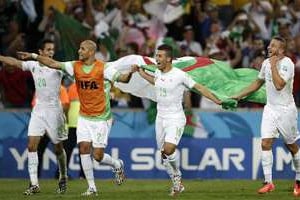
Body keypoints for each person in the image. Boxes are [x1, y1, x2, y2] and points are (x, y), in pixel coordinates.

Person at [18, 40, 134, 196]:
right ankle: (92, 188)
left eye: (83, 49)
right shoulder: (74, 66)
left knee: (97, 156)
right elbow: (52, 63)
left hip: (101, 117)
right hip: (84, 116)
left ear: (91, 52)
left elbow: (124, 79)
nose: (79, 51)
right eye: (79, 48)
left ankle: (117, 164)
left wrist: (132, 72)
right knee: (84, 149)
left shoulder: (104, 68)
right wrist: (33, 55)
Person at [133, 44, 222, 196]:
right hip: (160, 118)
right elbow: (156, 81)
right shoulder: (158, 73)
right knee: (163, 154)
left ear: (168, 59)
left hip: (175, 117)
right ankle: (176, 182)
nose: (157, 58)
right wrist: (141, 73)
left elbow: (199, 88)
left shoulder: (180, 75)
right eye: (156, 55)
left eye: (160, 56)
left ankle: (177, 176)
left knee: (168, 149)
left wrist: (217, 100)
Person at [232, 36, 300, 196]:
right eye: (270, 45)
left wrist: (274, 65)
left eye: (273, 46)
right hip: (270, 109)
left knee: (291, 146)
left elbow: (278, 85)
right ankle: (268, 182)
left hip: (286, 110)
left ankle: (298, 181)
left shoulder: (288, 64)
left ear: (282, 50)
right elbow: (257, 83)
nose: (269, 47)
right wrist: (239, 95)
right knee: (265, 143)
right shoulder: (265, 63)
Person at [0, 39, 68, 195]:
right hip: (38, 110)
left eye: (53, 49)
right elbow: (15, 62)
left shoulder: (57, 67)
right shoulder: (34, 65)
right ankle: (34, 184)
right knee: (31, 146)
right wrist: (2, 58)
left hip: (54, 111)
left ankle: (63, 176)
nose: (51, 51)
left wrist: (32, 56)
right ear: (41, 51)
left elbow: (50, 62)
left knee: (58, 148)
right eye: (48, 49)